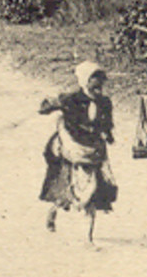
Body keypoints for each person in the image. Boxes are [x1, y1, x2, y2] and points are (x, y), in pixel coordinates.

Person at [39, 61, 117, 243]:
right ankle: (52, 212)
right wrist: (49, 106)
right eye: (93, 80)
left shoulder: (105, 102)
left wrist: (107, 134)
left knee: (92, 192)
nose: (98, 84)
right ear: (84, 81)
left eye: (100, 80)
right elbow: (48, 106)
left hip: (93, 152)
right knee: (66, 192)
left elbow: (107, 124)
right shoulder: (71, 99)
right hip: (73, 149)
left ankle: (88, 239)